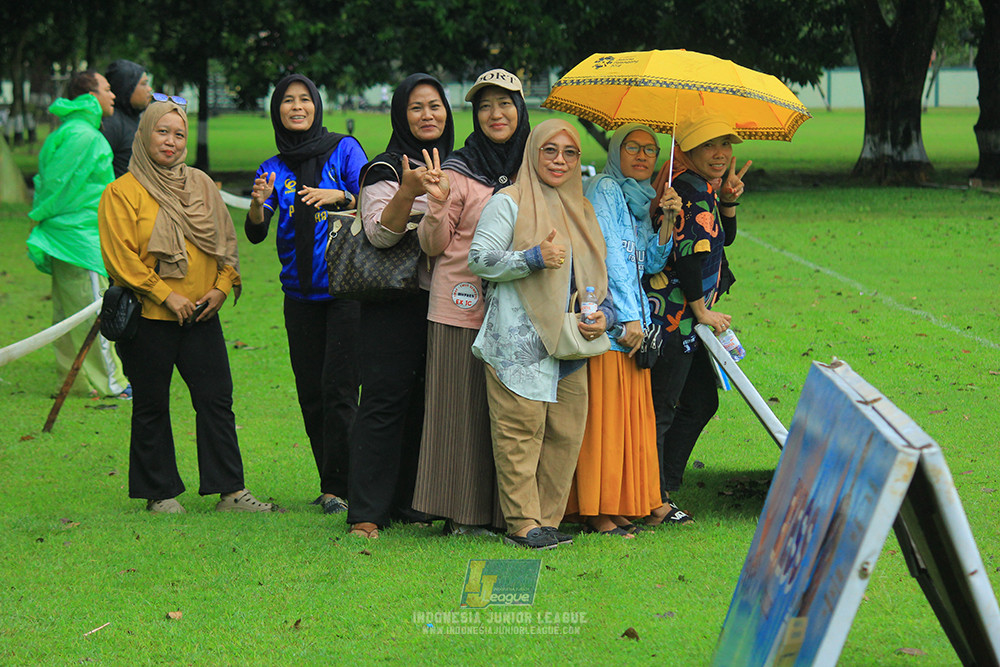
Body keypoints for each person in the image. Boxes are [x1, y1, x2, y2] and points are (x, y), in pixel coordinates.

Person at [98, 99, 275, 514]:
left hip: (201, 313)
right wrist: (165, 293)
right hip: (149, 317)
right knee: (152, 402)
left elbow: (225, 242)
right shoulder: (121, 192)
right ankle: (159, 493)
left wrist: (221, 285)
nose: (171, 142)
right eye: (162, 132)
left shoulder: (201, 184)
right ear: (144, 134)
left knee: (216, 399)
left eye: (179, 134)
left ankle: (230, 491)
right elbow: (119, 258)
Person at [469, 118, 613, 550]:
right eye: (550, 150)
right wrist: (533, 256)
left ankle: (546, 521)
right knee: (519, 433)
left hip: (572, 339)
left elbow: (597, 274)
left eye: (570, 153)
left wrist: (603, 312)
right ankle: (522, 523)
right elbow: (479, 258)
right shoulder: (508, 202)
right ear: (533, 151)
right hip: (520, 340)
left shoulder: (582, 209)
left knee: (565, 434)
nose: (560, 160)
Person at [409, 69, 530, 536]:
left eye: (505, 104)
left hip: (517, 311)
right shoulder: (458, 170)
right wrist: (437, 205)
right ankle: (461, 514)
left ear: (521, 110)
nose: (495, 114)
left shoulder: (534, 166)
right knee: (457, 412)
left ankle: (506, 513)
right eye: (484, 106)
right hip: (461, 306)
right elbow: (433, 246)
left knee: (507, 416)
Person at [246, 74, 367, 515]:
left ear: (317, 105)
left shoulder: (345, 149)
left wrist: (340, 193)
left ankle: (345, 486)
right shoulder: (272, 167)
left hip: (345, 292)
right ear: (276, 110)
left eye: (304, 100)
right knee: (311, 393)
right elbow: (257, 232)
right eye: (287, 101)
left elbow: (374, 199)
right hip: (298, 296)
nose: (297, 107)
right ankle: (329, 481)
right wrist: (259, 203)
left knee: (339, 390)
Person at [346, 73, 454, 539]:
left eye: (435, 106)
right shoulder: (384, 169)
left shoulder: (461, 164)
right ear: (400, 115)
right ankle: (367, 511)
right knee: (385, 402)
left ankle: (414, 501)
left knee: (428, 402)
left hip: (449, 301)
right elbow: (379, 234)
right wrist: (410, 190)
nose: (428, 115)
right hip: (394, 301)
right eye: (416, 108)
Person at [564, 124, 678, 536]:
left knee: (626, 419)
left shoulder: (636, 197)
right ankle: (597, 510)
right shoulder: (607, 190)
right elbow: (609, 258)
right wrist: (629, 317)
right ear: (616, 149)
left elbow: (647, 262)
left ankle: (619, 503)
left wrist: (666, 220)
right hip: (612, 325)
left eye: (650, 149)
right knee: (606, 422)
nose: (643, 155)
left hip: (632, 327)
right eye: (633, 147)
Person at [644, 107, 750, 525]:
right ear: (687, 148)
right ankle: (653, 498)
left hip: (687, 320)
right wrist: (701, 309)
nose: (721, 152)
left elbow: (721, 242)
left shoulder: (704, 188)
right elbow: (687, 256)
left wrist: (728, 203)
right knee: (664, 406)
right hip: (674, 318)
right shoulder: (686, 188)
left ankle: (663, 484)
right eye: (709, 144)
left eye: (724, 143)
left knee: (700, 401)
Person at [27, 70, 129, 398]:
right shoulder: (83, 136)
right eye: (107, 89)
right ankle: (112, 385)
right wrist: (41, 218)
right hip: (78, 239)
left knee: (69, 315)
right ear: (89, 96)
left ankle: (78, 384)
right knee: (92, 313)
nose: (112, 95)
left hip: (69, 237)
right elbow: (58, 187)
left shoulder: (72, 131)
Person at [101, 59, 152, 178]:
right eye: (144, 84)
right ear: (127, 88)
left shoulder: (133, 118)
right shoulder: (111, 124)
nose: (149, 89)